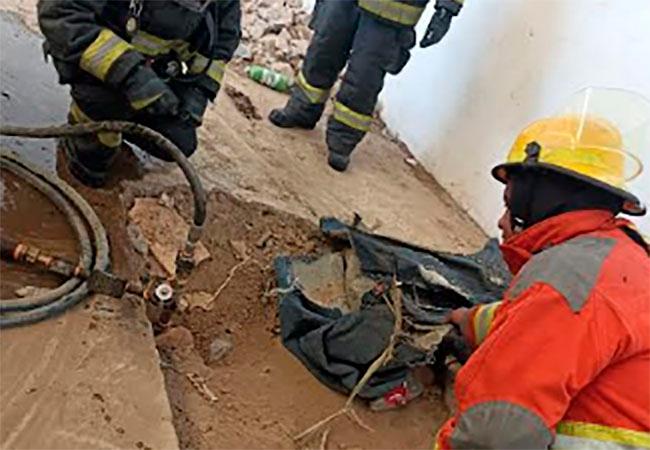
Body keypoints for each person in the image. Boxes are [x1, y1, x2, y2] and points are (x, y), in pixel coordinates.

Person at [435, 88, 650, 449]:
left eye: (510, 201)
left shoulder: (566, 278)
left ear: (541, 195)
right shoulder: (620, 259)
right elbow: (539, 321)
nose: (502, 222)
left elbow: (494, 437)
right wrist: (468, 320)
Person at [37, 0, 241, 187]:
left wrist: (198, 90)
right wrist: (132, 77)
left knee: (179, 142)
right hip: (99, 61)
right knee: (91, 165)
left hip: (156, 71)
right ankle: (82, 130)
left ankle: (127, 118)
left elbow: (223, 41)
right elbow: (59, 15)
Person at [268, 0, 463, 172]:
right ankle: (302, 108)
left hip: (391, 11)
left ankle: (342, 140)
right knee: (323, 50)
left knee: (364, 76)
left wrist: (447, 8)